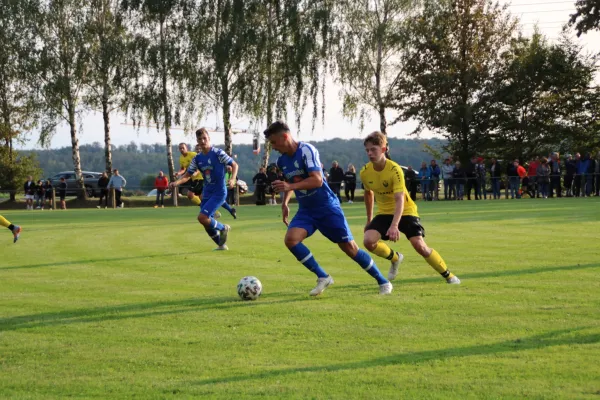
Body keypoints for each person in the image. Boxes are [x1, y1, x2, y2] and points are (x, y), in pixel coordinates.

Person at [265, 121, 392, 295]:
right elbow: (290, 183)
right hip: (306, 210)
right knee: (291, 239)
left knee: (350, 248)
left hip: (326, 207)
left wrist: (289, 188)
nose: (273, 147)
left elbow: (317, 180)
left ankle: (382, 281)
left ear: (285, 137)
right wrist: (285, 202)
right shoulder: (282, 160)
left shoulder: (306, 151)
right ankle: (323, 276)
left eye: (273, 142)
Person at [360, 131, 460, 285]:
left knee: (419, 246)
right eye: (367, 150)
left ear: (384, 149)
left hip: (406, 210)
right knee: (368, 241)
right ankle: (395, 258)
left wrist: (394, 225)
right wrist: (369, 220)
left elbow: (399, 198)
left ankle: (449, 276)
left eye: (373, 149)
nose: (370, 153)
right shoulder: (365, 172)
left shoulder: (395, 170)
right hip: (385, 212)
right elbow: (368, 194)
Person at [170, 128, 238, 250]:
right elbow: (187, 175)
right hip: (207, 192)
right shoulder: (197, 159)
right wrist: (177, 182)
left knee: (202, 218)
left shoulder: (218, 153)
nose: (202, 141)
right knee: (205, 222)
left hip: (219, 192)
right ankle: (221, 245)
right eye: (199, 139)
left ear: (208, 138)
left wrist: (233, 179)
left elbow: (234, 164)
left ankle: (223, 228)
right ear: (197, 141)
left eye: (204, 138)